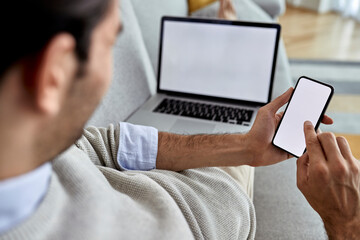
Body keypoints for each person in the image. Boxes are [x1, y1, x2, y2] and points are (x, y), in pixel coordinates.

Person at [0, 0, 358, 239]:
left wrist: (245, 146)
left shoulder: (34, 148)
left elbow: (102, 143)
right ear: (53, 74)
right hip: (222, 203)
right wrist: (345, 222)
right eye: (110, 44)